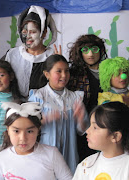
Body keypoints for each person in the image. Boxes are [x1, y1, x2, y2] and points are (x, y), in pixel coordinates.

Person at [28, 54, 89, 173]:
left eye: (67, 71)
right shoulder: (38, 96)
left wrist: (81, 118)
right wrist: (46, 119)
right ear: (47, 74)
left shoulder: (74, 97)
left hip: (69, 153)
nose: (64, 75)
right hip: (45, 152)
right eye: (59, 71)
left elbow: (82, 130)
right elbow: (27, 127)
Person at [0, 102, 72, 180]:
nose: (23, 138)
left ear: (38, 130)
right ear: (8, 130)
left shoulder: (51, 154)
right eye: (16, 131)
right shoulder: (0, 159)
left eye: (29, 131)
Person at [67, 34, 108, 162]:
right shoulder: (75, 74)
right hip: (83, 128)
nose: (90, 54)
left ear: (100, 51)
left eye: (94, 49)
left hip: (107, 124)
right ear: (80, 53)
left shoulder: (109, 70)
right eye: (85, 50)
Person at [4, 5, 58, 97]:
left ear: (44, 33)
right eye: (25, 32)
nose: (28, 36)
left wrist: (59, 68)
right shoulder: (13, 55)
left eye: (33, 32)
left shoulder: (52, 57)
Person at [73, 102, 129, 179]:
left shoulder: (126, 168)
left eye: (95, 127)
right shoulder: (86, 166)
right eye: (90, 125)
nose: (87, 131)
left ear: (115, 136)